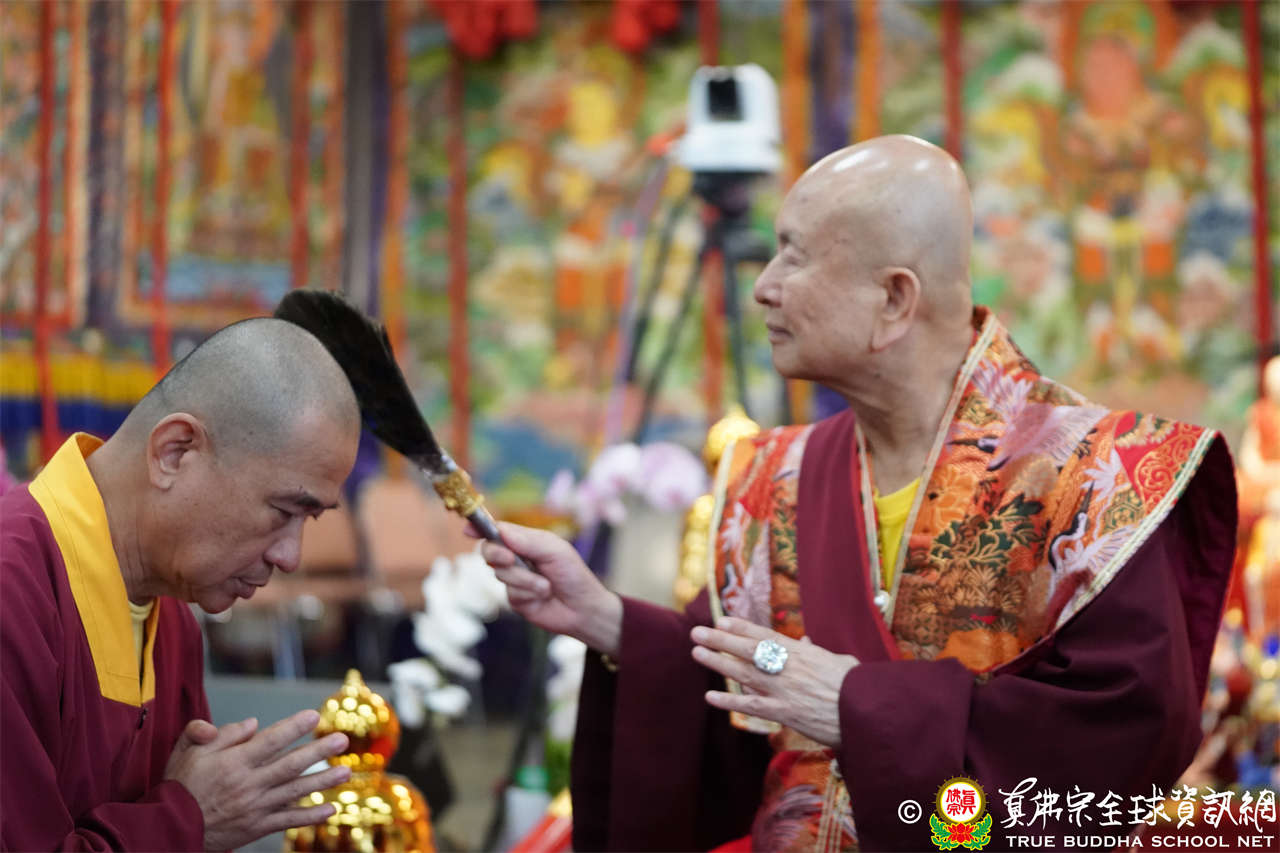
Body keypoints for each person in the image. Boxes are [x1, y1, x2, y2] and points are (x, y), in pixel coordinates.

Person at [477, 135, 1238, 851]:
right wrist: (609, 622)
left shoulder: (1099, 477)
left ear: (895, 300)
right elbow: (733, 687)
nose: (763, 288)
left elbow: (1117, 752)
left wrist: (859, 708)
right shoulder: (775, 475)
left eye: (794, 256)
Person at [1, 318, 363, 850]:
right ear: (174, 452)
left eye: (308, 520)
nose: (290, 557)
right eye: (283, 511)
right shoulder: (14, 589)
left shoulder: (173, 619)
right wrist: (190, 820)